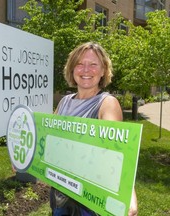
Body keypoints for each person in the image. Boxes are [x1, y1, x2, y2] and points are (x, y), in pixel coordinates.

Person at [50, 42, 138, 216]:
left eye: (93, 65)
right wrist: (25, 158)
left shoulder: (106, 103)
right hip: (61, 192)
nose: (85, 70)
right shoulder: (64, 102)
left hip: (89, 201)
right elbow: (48, 140)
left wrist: (129, 194)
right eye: (80, 64)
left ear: (103, 70)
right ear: (72, 68)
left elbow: (117, 153)